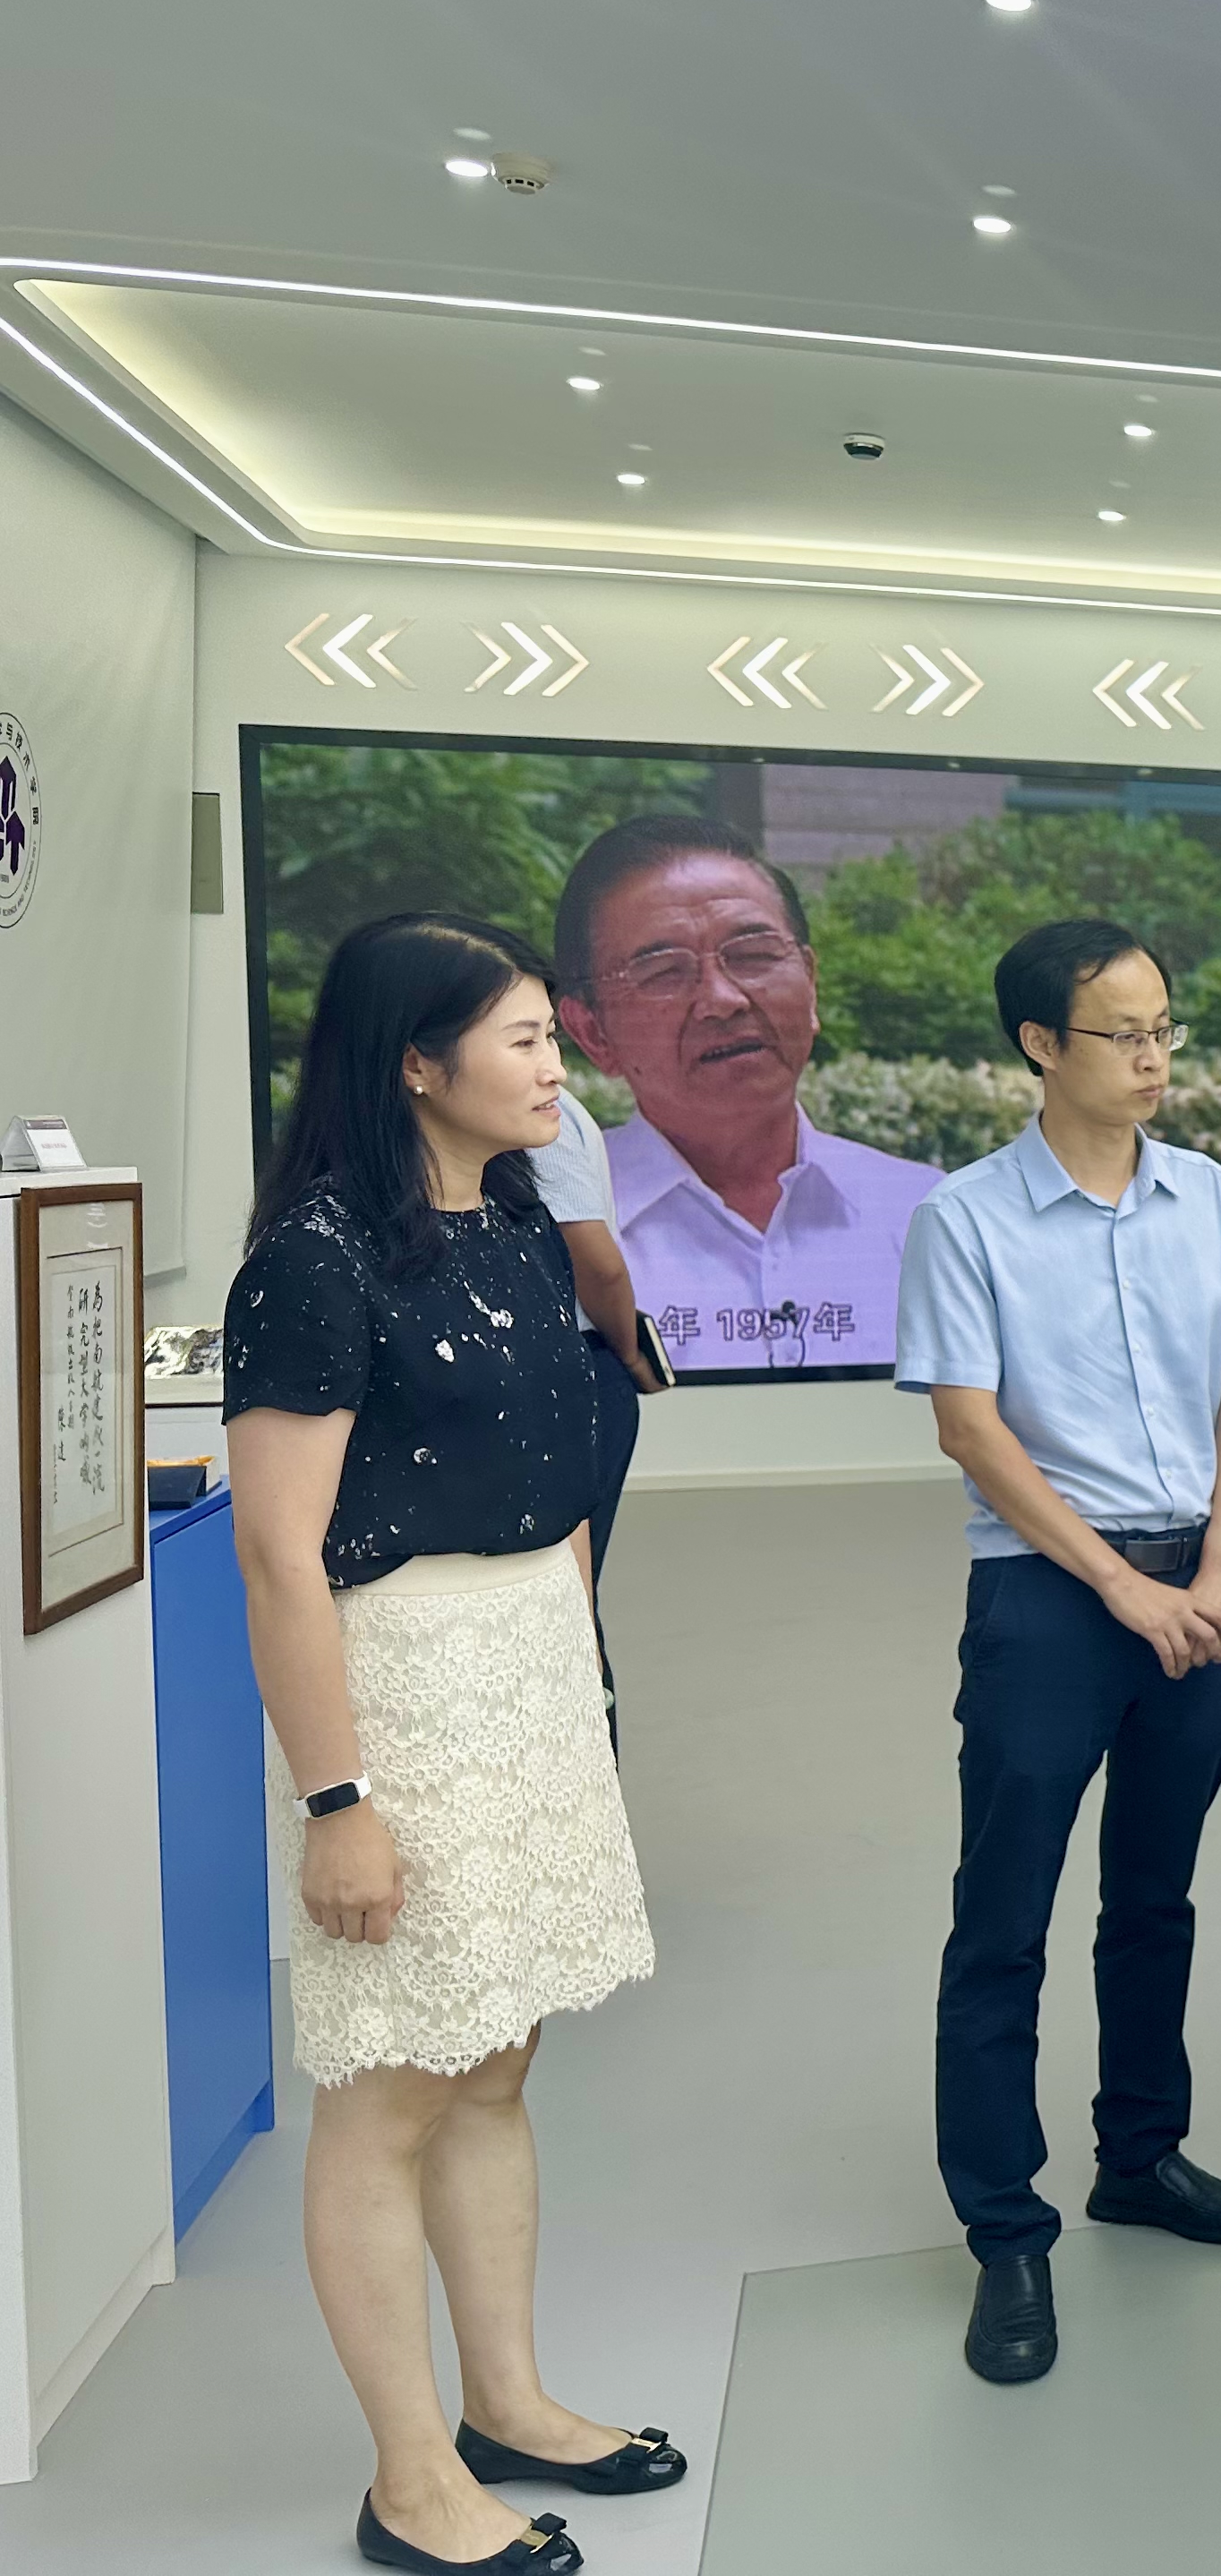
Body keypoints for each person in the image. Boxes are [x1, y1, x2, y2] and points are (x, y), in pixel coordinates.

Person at [222, 914, 666, 2576]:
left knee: (495, 2058)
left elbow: (560, 1479)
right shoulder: (316, 1259)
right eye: (528, 1039)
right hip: (404, 1692)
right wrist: (336, 1799)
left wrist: (581, 1683)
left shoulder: (522, 1223)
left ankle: (509, 2403)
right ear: (418, 1061)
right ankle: (410, 2479)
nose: (560, 1068)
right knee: (391, 2087)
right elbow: (281, 1556)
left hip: (532, 1670)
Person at [895, 920, 1221, 2386]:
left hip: (1204, 1585)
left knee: (1154, 1894)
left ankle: (1142, 2155)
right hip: (1053, 1600)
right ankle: (1007, 2230)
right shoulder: (966, 1218)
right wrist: (1122, 1585)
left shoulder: (1208, 1195)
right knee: (1002, 1920)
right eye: (1123, 1032)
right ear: (1039, 1046)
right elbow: (971, 1428)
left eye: (1164, 1027)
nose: (1154, 1056)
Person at [552, 815, 943, 1373]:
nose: (723, 999)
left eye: (754, 955)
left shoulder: (928, 1214)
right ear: (592, 1032)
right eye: (664, 972)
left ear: (810, 985)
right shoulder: (543, 1235)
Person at [523, 1085, 661, 1738]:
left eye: (541, 1039)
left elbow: (597, 1263)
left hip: (574, 1361)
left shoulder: (537, 1115)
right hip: (572, 1363)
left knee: (565, 1597)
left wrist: (628, 1353)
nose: (544, 1063)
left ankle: (590, 1771)